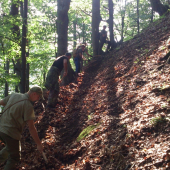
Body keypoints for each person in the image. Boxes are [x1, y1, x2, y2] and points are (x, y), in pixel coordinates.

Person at [0, 86, 44, 170]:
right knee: (14, 158)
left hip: (1, 129)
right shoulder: (28, 105)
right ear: (34, 94)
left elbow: (1, 102)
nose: (37, 99)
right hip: (10, 133)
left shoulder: (14, 95)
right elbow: (31, 127)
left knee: (11, 147)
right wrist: (39, 144)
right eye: (38, 97)